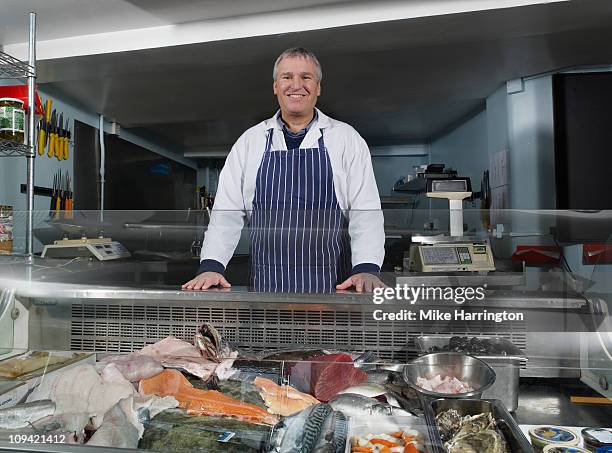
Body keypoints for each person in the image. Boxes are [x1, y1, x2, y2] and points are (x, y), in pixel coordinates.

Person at [182, 47, 385, 293]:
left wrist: (366, 267)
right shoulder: (250, 141)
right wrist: (212, 265)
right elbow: (227, 213)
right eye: (287, 77)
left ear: (318, 87)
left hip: (333, 287)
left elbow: (366, 211)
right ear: (276, 86)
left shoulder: (346, 138)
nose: (296, 85)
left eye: (306, 77)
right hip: (268, 286)